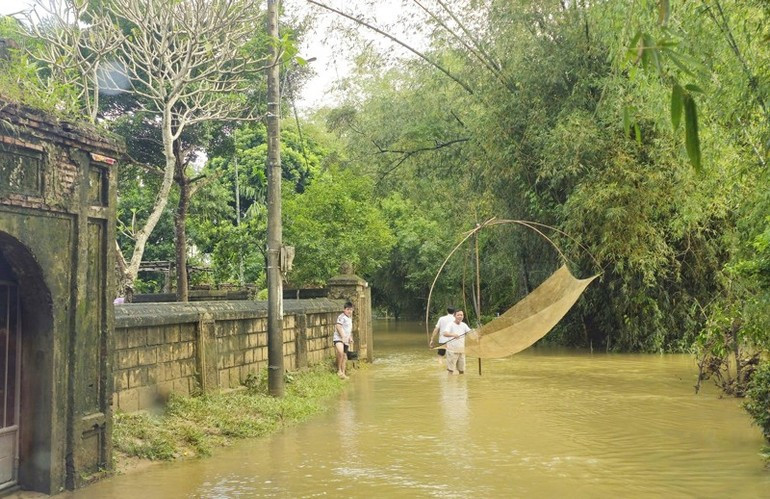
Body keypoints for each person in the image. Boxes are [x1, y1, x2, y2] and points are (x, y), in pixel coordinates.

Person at [442, 309, 471, 375]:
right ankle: (450, 384)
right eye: (458, 315)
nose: (460, 316)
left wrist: (477, 335)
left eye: (461, 315)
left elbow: (470, 333)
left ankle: (461, 384)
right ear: (454, 316)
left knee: (462, 371)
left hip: (461, 350)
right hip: (452, 351)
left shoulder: (464, 325)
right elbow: (444, 333)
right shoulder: (450, 324)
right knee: (451, 370)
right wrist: (453, 334)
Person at [334, 301, 354, 379]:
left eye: (351, 310)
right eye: (348, 309)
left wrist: (350, 337)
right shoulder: (341, 317)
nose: (349, 311)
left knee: (345, 356)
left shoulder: (350, 318)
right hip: (338, 338)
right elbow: (338, 326)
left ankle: (343, 373)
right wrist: (343, 336)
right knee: (340, 352)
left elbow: (349, 330)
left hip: (345, 340)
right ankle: (339, 370)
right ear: (344, 310)